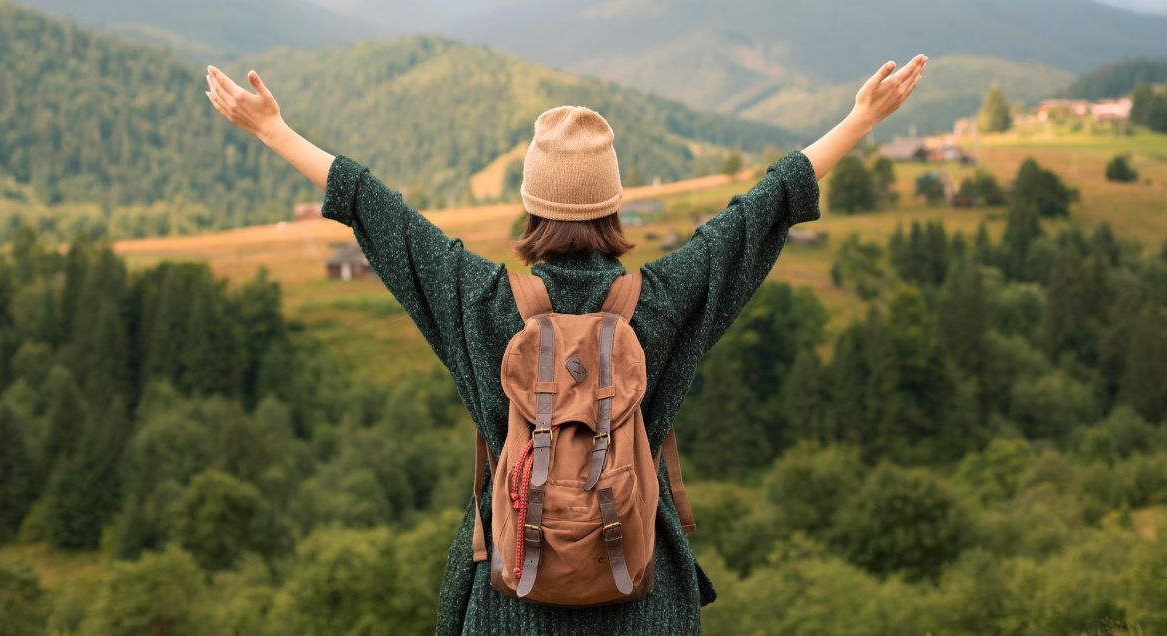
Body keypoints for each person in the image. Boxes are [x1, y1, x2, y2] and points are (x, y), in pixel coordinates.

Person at [204, 52, 928, 634]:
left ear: (530, 205)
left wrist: (271, 129)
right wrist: (861, 120)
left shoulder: (480, 300)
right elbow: (763, 208)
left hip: (511, 594)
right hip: (644, 593)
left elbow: (376, 209)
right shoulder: (666, 298)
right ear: (612, 204)